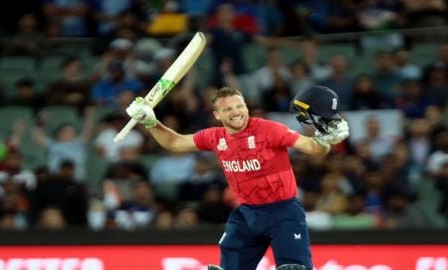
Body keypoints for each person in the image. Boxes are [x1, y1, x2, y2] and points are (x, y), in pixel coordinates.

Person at [125, 86, 349, 270]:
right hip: (246, 215)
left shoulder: (269, 129)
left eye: (240, 106)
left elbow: (313, 149)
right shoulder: (214, 137)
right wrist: (150, 123)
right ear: (217, 115)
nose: (236, 112)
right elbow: (175, 143)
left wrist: (326, 138)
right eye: (228, 109)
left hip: (283, 213)